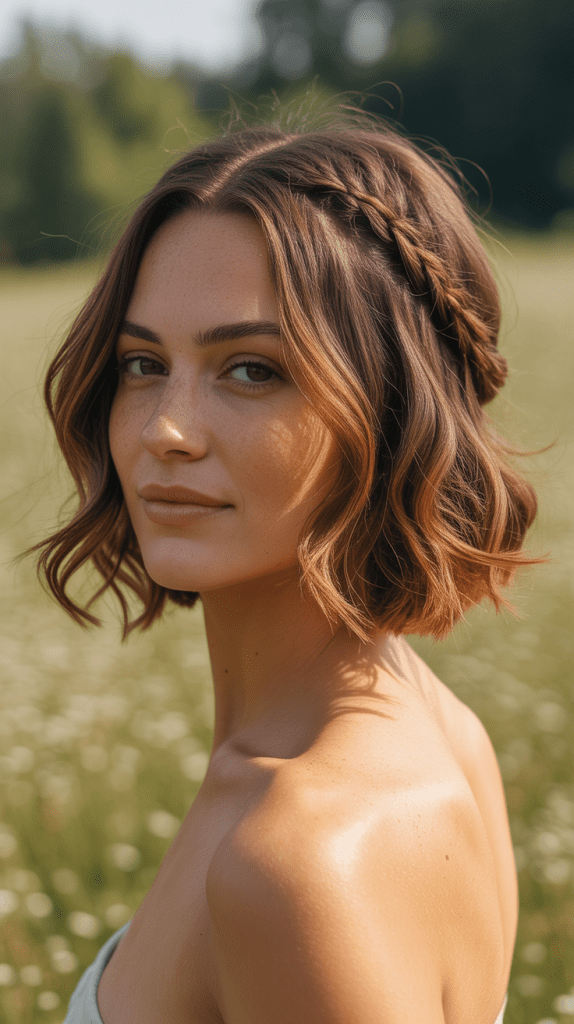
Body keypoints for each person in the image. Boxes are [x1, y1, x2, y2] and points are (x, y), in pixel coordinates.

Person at [30, 108, 539, 1024]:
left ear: (388, 410)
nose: (163, 430)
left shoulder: (301, 859)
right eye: (143, 363)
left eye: (252, 371)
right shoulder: (435, 726)